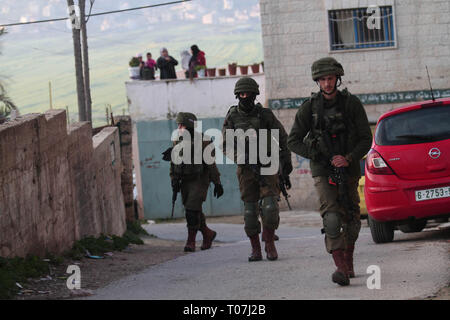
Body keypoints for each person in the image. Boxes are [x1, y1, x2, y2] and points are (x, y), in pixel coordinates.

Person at [287, 57, 372, 286]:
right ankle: (340, 268)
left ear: (337, 78)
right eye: (323, 79)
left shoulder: (351, 104)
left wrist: (349, 158)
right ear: (317, 81)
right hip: (323, 170)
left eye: (330, 78)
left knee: (352, 217)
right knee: (332, 217)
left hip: (349, 167)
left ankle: (348, 258)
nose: (327, 83)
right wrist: (318, 155)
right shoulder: (309, 108)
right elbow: (293, 140)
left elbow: (366, 138)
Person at [221, 77, 293, 262]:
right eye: (242, 94)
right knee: (250, 212)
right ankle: (255, 249)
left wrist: (286, 162)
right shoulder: (232, 117)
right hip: (246, 170)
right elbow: (225, 145)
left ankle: (269, 243)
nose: (245, 97)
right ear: (238, 95)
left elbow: (283, 137)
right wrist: (241, 158)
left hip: (267, 166)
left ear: (254, 95)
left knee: (269, 208)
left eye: (248, 94)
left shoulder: (265, 115)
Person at [165, 112, 224, 252]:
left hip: (199, 180)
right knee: (193, 210)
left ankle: (190, 241)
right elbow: (174, 162)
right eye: (178, 125)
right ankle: (207, 234)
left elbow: (211, 164)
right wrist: (173, 179)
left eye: (182, 124)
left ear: (190, 125)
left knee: (191, 211)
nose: (179, 127)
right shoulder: (177, 140)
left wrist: (217, 182)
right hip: (184, 180)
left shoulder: (204, 140)